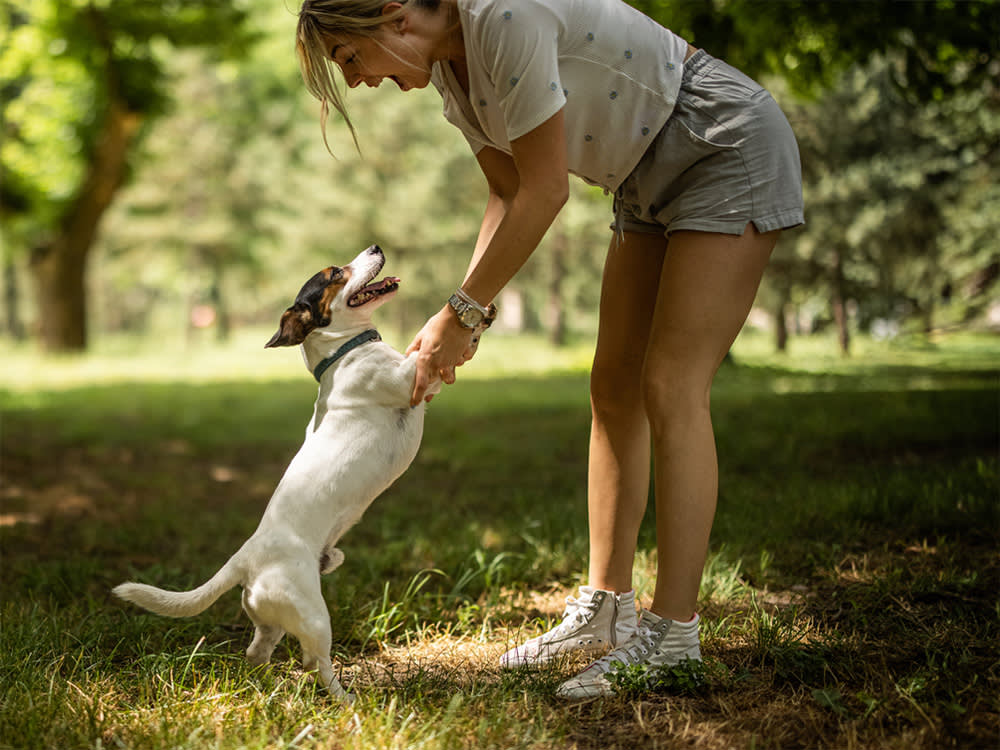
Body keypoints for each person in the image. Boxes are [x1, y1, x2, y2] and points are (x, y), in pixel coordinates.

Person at [295, 0, 803, 698]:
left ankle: (673, 634)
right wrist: (464, 316)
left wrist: (463, 311)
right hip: (640, 176)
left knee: (670, 385)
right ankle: (607, 608)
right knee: (613, 389)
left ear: (394, 15)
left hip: (719, 139)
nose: (357, 81)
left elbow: (546, 189)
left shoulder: (502, 17)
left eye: (352, 58)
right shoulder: (451, 70)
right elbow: (506, 192)